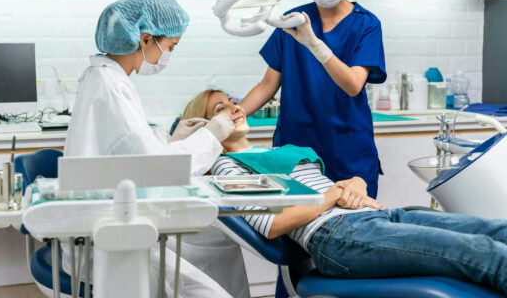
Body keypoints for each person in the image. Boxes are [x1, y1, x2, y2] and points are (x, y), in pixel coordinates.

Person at [181, 89, 507, 295]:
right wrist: (336, 196)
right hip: (338, 236)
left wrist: (355, 184)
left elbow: (337, 188)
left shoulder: (275, 152)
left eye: (232, 101)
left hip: (377, 216)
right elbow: (273, 225)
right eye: (219, 109)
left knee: (497, 231)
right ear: (206, 128)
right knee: (482, 253)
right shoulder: (228, 167)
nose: (233, 107)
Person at [63, 0, 238, 298]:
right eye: (170, 47)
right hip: (111, 238)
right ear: (144, 40)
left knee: (212, 267)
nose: (168, 55)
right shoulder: (112, 86)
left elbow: (124, 147)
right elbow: (155, 168)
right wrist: (213, 134)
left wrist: (172, 139)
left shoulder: (102, 77)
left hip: (111, 224)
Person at [240, 0, 386, 198]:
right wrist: (232, 116)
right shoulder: (294, 20)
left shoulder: (367, 25)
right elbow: (267, 86)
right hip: (295, 151)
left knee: (350, 229)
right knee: (293, 231)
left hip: (347, 153)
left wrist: (316, 45)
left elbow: (353, 85)